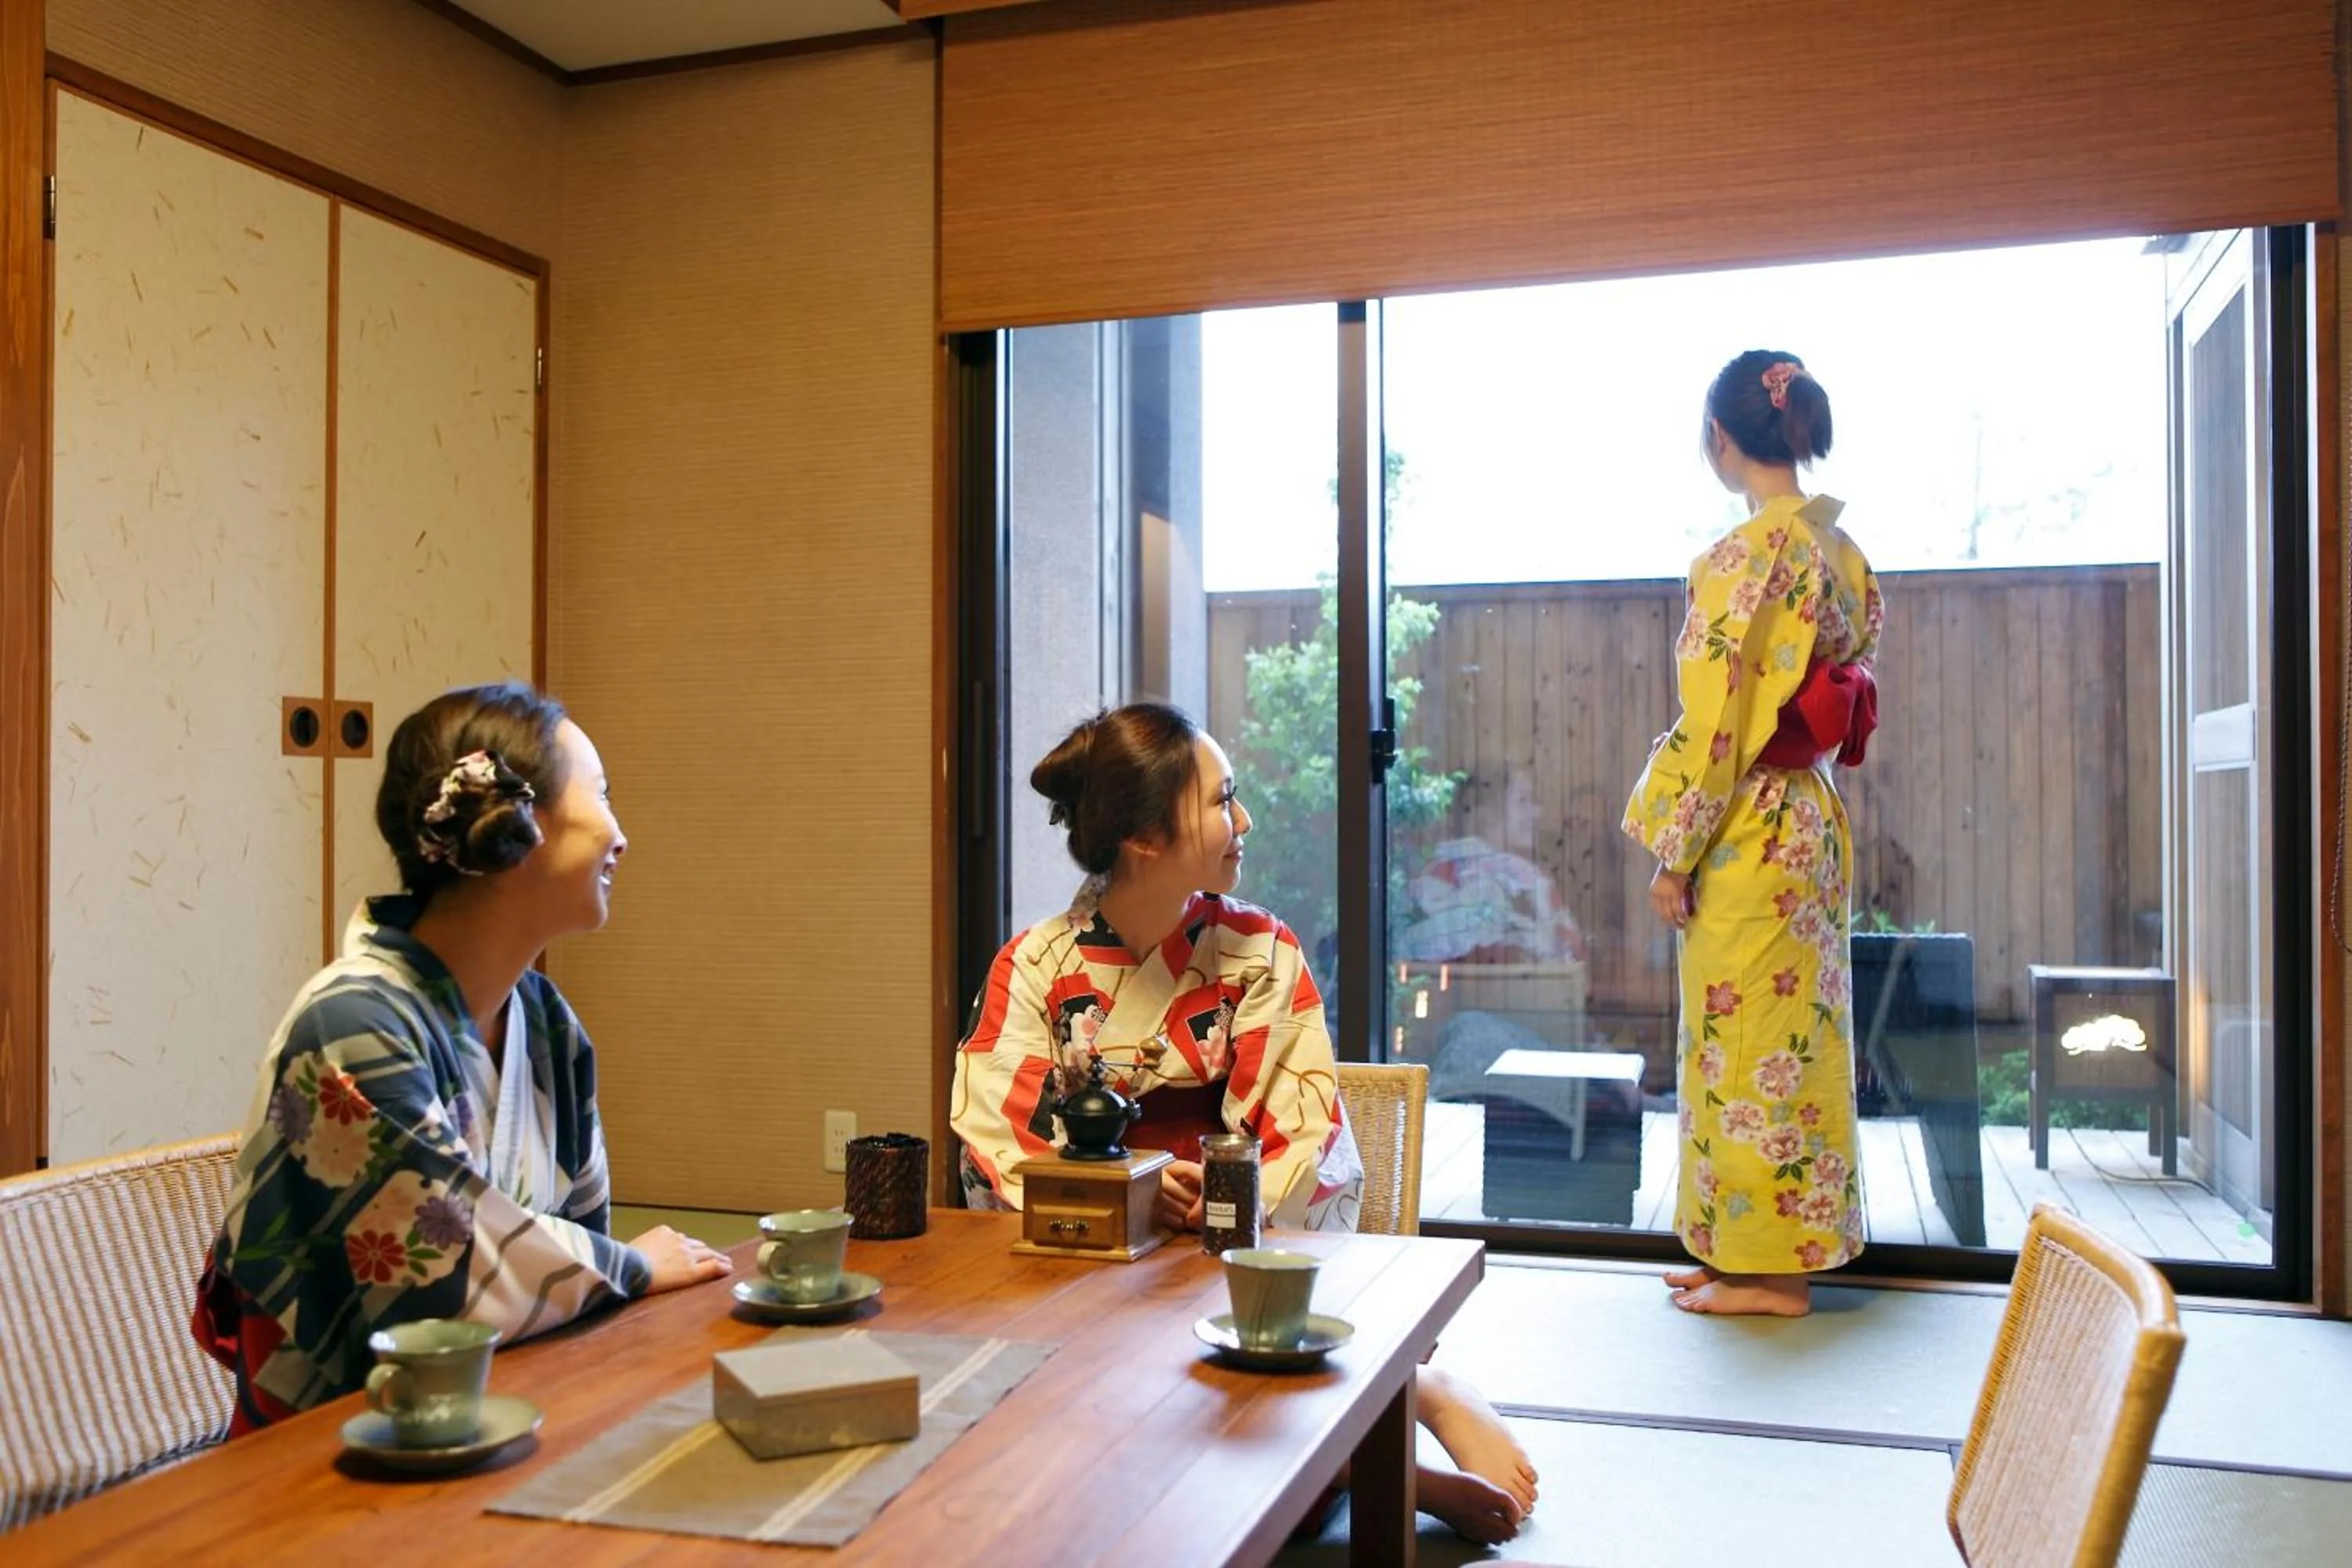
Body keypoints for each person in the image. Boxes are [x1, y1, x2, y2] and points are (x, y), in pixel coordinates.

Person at [953, 702, 1539, 1543]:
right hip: (1097, 1252)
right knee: (1050, 1455)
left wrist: (1221, 1199)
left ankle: (1412, 1391)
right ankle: (1367, 1438)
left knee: (1209, 1446)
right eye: (1223, 800)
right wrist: (1136, 1194)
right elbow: (995, 1132)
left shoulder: (1261, 949)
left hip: (1235, 1240)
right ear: (1148, 835)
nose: (1245, 820)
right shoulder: (1037, 963)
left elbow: (1297, 1123)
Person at [193, 683, 731, 1432]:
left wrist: (608, 1271)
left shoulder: (543, 1024)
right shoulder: (351, 1025)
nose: (620, 834)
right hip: (345, 1457)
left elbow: (581, 1259)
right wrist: (631, 1266)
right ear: (519, 825)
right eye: (602, 796)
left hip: (509, 1415)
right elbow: (437, 1294)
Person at [1621, 351, 1884, 1318]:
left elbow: (1718, 722)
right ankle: (1751, 1253)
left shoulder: (1739, 558)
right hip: (1805, 816)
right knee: (1788, 1037)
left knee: (1743, 1044)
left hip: (1749, 818)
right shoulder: (1837, 546)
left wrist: (1672, 849)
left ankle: (1774, 1272)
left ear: (1721, 439)